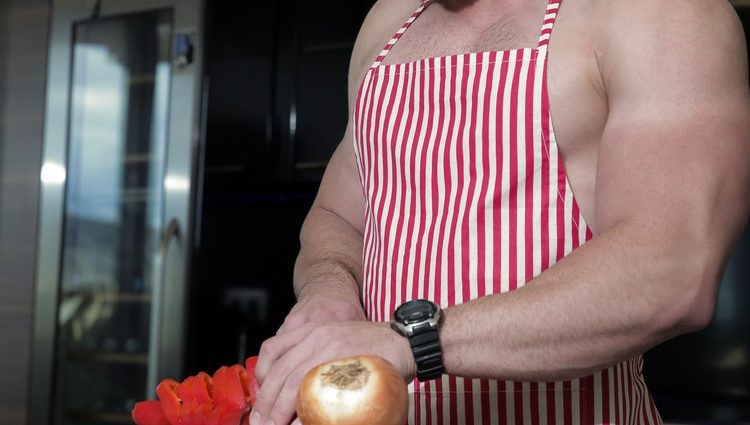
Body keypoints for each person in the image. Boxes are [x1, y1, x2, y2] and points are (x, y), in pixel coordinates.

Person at [250, 0, 750, 423]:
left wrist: (411, 341)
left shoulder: (661, 14)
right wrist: (329, 291)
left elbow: (672, 268)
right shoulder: (387, 20)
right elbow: (339, 217)